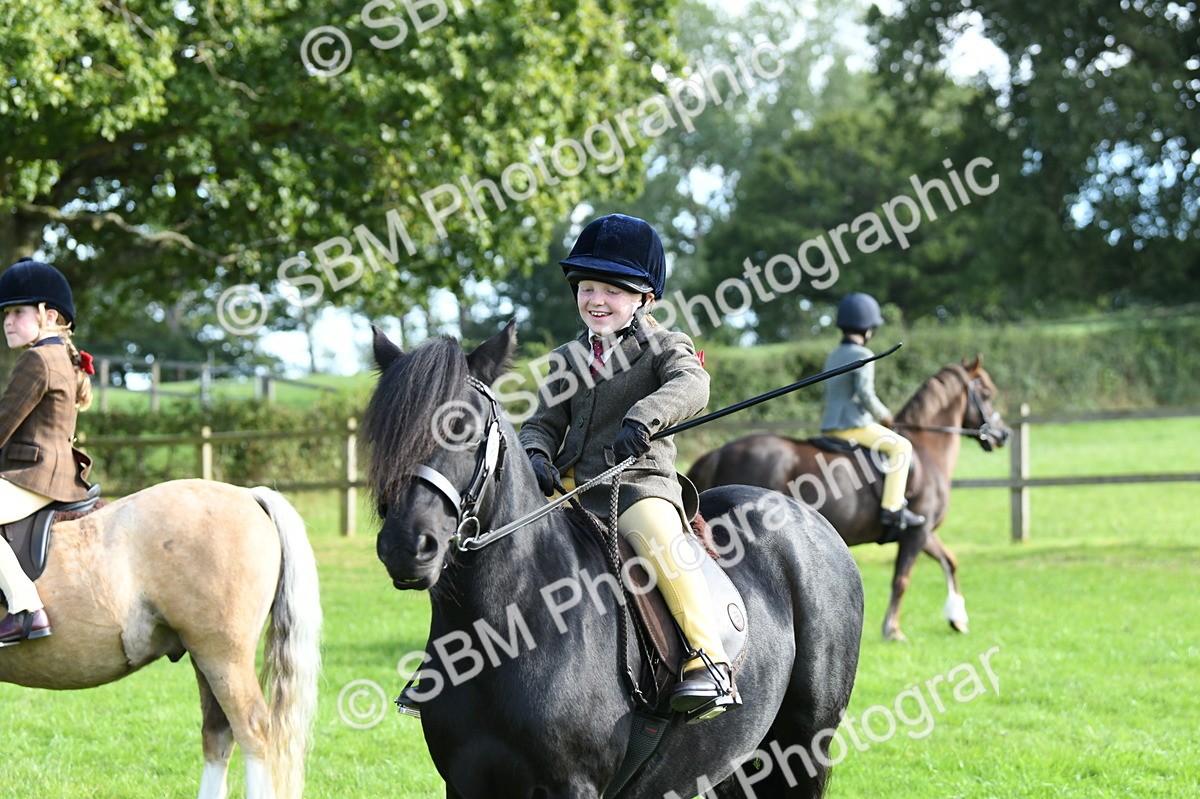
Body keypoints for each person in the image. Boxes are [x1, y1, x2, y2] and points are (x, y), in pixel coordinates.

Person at [518, 213, 739, 720]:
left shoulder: (665, 346)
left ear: (644, 297)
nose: (596, 300)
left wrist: (645, 416)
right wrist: (535, 453)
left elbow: (693, 386)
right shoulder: (567, 357)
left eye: (611, 291)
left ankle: (710, 661)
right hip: (572, 489)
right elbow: (543, 422)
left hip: (638, 485)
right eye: (587, 288)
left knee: (661, 541)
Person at [0, 258, 95, 645]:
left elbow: (3, 422)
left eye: (18, 312)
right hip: (51, 471)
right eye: (5, 313)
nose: (7, 321)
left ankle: (25, 608)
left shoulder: (37, 359)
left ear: (49, 314)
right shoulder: (60, 356)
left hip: (36, 474)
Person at [819, 292, 925, 540]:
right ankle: (893, 509)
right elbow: (865, 394)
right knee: (901, 447)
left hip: (829, 426)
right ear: (868, 327)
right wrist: (885, 415)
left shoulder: (833, 355)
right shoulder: (863, 354)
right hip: (853, 426)